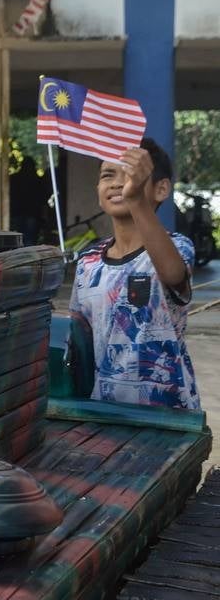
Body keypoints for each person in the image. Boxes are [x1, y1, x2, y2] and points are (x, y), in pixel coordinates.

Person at [69, 138, 200, 410]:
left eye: (130, 176)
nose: (119, 184)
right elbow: (78, 337)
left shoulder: (178, 247)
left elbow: (174, 273)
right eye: (108, 175)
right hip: (104, 409)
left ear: (161, 189)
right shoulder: (88, 262)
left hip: (167, 414)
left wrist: (136, 200)